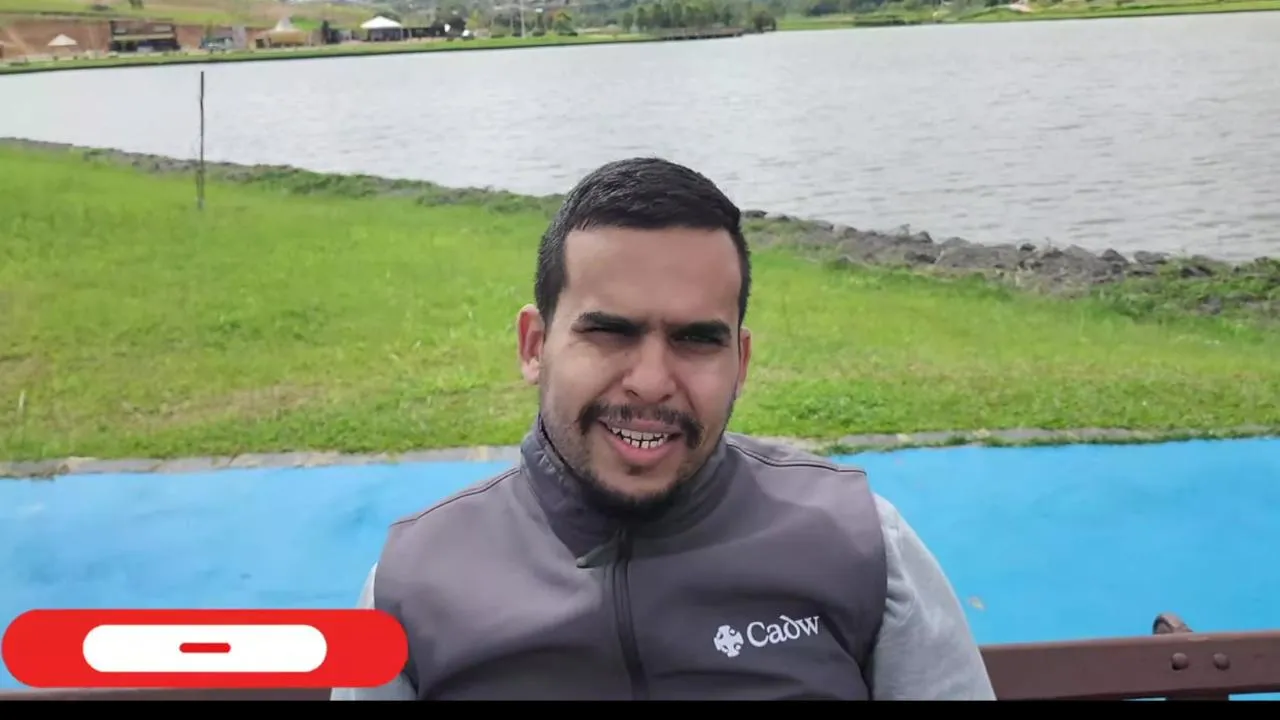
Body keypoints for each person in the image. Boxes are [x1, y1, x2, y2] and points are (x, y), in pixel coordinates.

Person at [331, 158, 995, 701]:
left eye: (696, 340)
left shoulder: (862, 548)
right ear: (535, 346)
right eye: (610, 332)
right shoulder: (410, 591)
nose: (650, 381)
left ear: (740, 363)